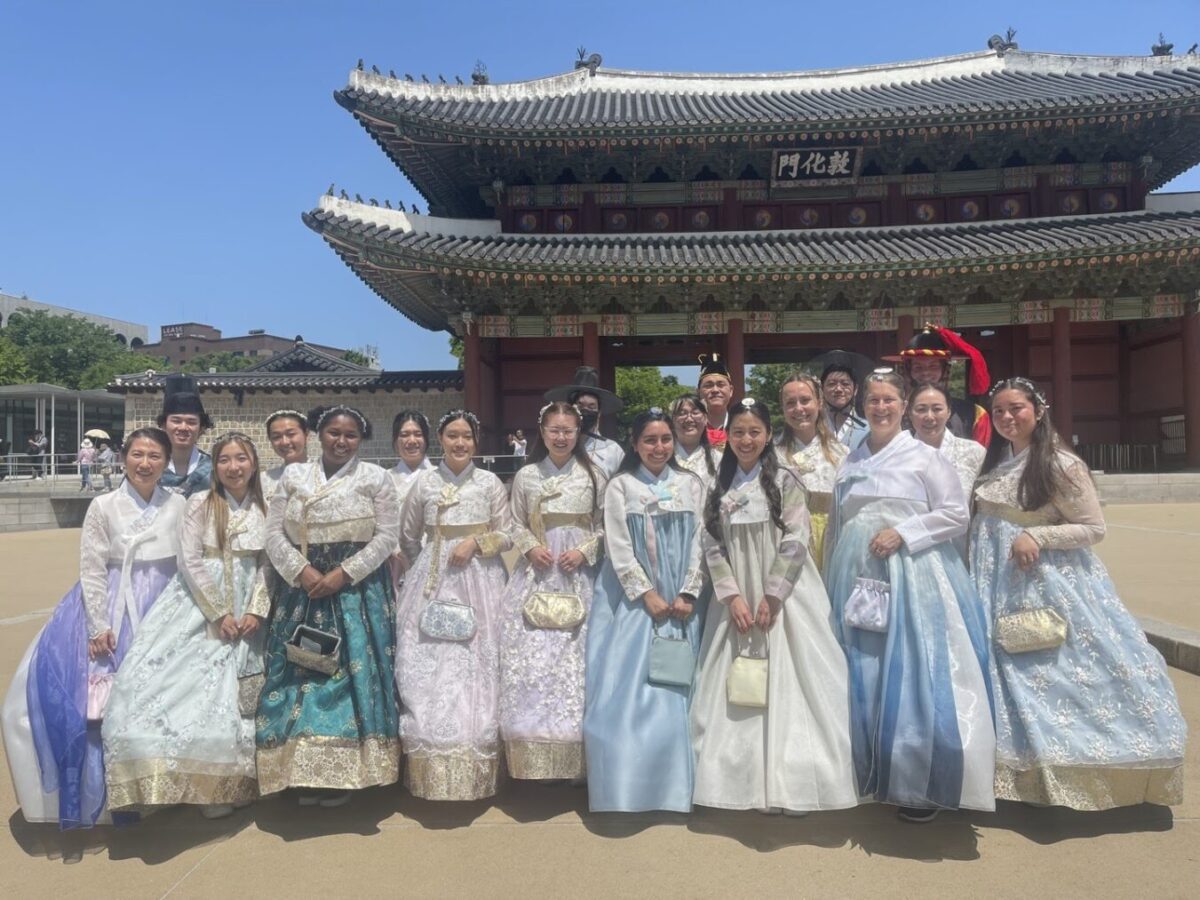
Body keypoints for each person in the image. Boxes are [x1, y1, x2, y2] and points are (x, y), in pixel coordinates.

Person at [971, 378, 1186, 809]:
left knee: (1050, 667)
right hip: (991, 581)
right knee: (1003, 671)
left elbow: (1093, 527)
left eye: (1016, 408)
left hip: (1041, 581)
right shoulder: (999, 460)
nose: (1008, 418)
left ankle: (1080, 768)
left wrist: (1039, 536)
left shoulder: (1059, 463)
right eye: (999, 412)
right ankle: (1006, 772)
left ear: (1039, 409)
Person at [824, 369, 994, 823]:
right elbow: (839, 523)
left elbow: (956, 515)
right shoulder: (850, 458)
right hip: (855, 574)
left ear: (903, 406)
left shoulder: (924, 457)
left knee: (914, 670)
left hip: (914, 576)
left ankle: (918, 779)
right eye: (873, 400)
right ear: (863, 406)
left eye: (889, 400)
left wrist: (903, 532)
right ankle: (867, 769)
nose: (880, 408)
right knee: (864, 669)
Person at [1, 428, 185, 826]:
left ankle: (157, 786)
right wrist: (97, 623)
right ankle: (103, 796)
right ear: (123, 458)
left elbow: (188, 562)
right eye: (138, 454)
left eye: (155, 455)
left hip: (163, 604)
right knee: (97, 703)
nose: (145, 463)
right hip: (113, 603)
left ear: (167, 461)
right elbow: (92, 566)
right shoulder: (103, 505)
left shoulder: (179, 504)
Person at [692, 399, 857, 815]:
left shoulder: (786, 478)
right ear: (727, 435)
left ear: (768, 435)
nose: (746, 440)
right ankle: (737, 778)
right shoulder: (718, 482)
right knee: (735, 685)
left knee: (794, 679)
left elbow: (797, 539)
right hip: (736, 599)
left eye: (755, 432)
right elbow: (711, 541)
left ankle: (791, 779)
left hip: (782, 592)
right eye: (738, 432)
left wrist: (773, 595)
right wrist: (730, 595)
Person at [102, 433, 270, 819]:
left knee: (237, 695)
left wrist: (256, 609)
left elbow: (268, 562)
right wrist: (218, 612)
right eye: (224, 460)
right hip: (201, 602)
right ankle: (181, 783)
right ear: (215, 466)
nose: (233, 467)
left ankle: (229, 782)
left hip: (250, 610)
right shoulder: (200, 503)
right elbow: (189, 561)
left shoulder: (266, 505)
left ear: (253, 463)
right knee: (177, 687)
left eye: (241, 458)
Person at [258, 405, 400, 807]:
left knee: (351, 677)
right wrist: (300, 571)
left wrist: (344, 573)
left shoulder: (376, 478)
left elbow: (387, 536)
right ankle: (299, 769)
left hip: (355, 592)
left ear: (361, 439)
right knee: (301, 674)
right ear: (319, 434)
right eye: (334, 432)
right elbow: (273, 534)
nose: (341, 441)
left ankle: (350, 771)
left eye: (351, 435)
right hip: (302, 589)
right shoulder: (294, 475)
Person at [583, 409, 708, 813]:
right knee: (633, 689)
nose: (659, 448)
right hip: (638, 599)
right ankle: (634, 784)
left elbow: (702, 540)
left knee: (686, 683)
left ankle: (692, 784)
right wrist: (646, 593)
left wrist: (689, 590)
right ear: (634, 444)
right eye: (650, 440)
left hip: (684, 599)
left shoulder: (691, 484)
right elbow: (619, 546)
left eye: (665, 439)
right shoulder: (621, 486)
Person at [395, 410, 513, 800]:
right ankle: (430, 757)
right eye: (452, 436)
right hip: (431, 581)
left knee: (478, 666)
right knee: (427, 667)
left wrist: (478, 543)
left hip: (481, 581)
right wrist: (429, 563)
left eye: (467, 436)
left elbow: (508, 532)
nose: (459, 443)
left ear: (476, 442)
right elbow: (409, 536)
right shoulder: (425, 483)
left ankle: (478, 761)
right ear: (440, 440)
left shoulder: (490, 483)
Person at [499, 402, 605, 781]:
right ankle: (530, 756)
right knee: (532, 661)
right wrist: (529, 546)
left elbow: (604, 525)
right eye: (554, 430)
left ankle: (576, 762)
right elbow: (513, 522)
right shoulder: (527, 475)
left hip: (577, 574)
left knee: (575, 663)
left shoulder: (593, 475)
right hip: (537, 573)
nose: (561, 437)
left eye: (568, 430)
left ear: (579, 434)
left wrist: (584, 550)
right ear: (541, 432)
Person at [775, 373, 846, 572]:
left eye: (805, 400)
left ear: (819, 402)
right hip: (787, 539)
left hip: (831, 536)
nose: (799, 409)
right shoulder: (772, 454)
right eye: (790, 403)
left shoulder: (841, 452)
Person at [883, 323, 991, 445]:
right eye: (918, 367)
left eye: (933, 366)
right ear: (909, 371)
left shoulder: (973, 414)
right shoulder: (895, 412)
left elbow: (982, 459)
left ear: (945, 369)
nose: (926, 372)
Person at [910, 383, 984, 504]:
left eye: (937, 409)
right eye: (921, 409)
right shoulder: (897, 454)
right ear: (909, 413)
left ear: (949, 412)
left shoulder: (974, 452)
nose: (929, 417)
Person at [544, 366, 624, 479]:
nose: (585, 411)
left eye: (592, 406)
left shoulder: (612, 450)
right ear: (570, 410)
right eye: (580, 406)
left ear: (599, 413)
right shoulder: (555, 444)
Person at [388, 409, 434, 597]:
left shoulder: (439, 477)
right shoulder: (384, 478)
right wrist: (396, 550)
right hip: (391, 559)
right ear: (395, 441)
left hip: (430, 558)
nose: (411, 440)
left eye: (418, 434)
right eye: (404, 435)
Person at [157, 374, 213, 496]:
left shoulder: (214, 469)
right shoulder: (151, 467)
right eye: (176, 421)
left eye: (191, 422)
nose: (183, 427)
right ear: (163, 425)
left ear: (202, 428)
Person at [670, 393, 719, 485]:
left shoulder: (717, 458)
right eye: (682, 413)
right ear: (673, 419)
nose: (689, 419)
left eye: (695, 413)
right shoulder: (663, 456)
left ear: (705, 419)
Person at [820, 357, 868, 450]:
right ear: (822, 389)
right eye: (831, 384)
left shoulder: (869, 430)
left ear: (855, 389)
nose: (838, 389)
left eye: (845, 384)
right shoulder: (811, 428)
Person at [261, 409, 310, 500]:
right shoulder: (264, 480)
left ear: (306, 434)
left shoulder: (321, 474)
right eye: (276, 437)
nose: (284, 442)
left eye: (291, 434)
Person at [697, 353, 735, 450]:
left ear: (731, 391)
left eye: (720, 385)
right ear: (698, 392)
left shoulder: (740, 426)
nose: (715, 390)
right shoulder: (690, 428)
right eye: (708, 385)